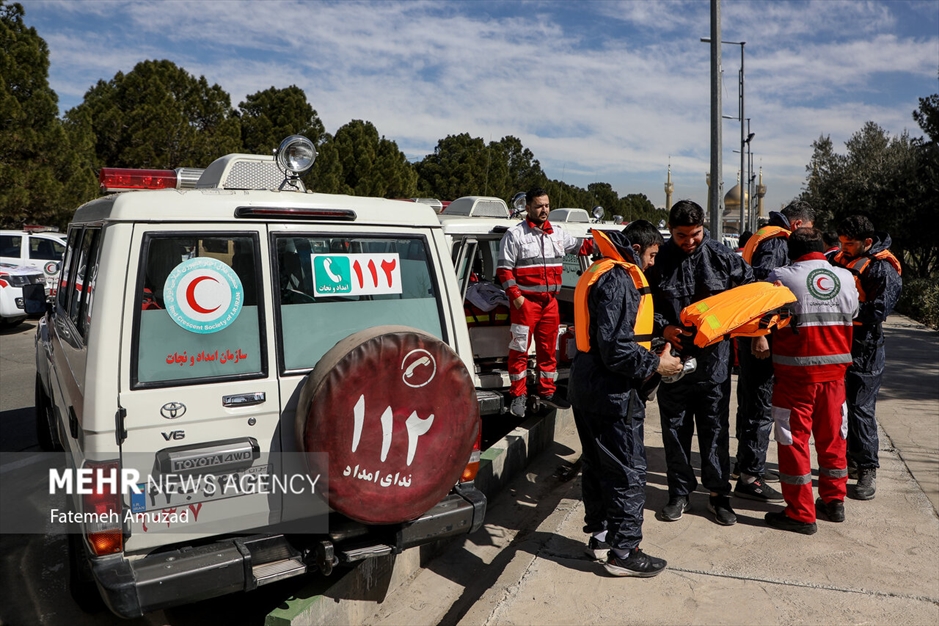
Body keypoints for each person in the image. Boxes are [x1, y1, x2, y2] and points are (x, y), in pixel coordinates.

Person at [569, 220, 683, 577]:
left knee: (597, 466)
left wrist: (658, 334)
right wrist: (658, 364)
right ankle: (625, 551)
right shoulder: (620, 278)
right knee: (627, 470)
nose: (652, 263)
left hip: (587, 385)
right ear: (636, 249)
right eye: (651, 255)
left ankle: (603, 536)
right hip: (612, 393)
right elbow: (617, 348)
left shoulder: (599, 269)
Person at [646, 200, 753, 526]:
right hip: (674, 362)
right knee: (675, 430)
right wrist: (664, 328)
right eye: (682, 235)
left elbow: (749, 293)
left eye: (696, 234)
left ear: (703, 227)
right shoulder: (658, 260)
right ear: (671, 230)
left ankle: (719, 495)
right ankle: (679, 493)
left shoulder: (722, 256)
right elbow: (644, 305)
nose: (690, 241)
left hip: (714, 363)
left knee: (716, 430)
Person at [762, 228, 859, 534]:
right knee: (834, 438)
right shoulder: (846, 277)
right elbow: (854, 311)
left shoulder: (781, 277)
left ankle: (801, 514)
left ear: (790, 252)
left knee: (793, 441)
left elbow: (763, 315)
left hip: (796, 376)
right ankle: (833, 501)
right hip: (835, 374)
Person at [733, 201, 815, 504]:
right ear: (797, 224)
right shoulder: (778, 241)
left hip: (751, 330)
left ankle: (745, 464)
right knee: (760, 406)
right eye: (806, 231)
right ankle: (750, 477)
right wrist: (762, 334)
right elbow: (763, 289)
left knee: (750, 401)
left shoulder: (763, 234)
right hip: (760, 333)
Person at [497, 188, 592, 417]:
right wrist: (517, 298)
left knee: (549, 350)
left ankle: (547, 392)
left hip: (550, 304)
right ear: (528, 207)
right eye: (539, 206)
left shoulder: (557, 233)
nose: (544, 210)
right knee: (519, 350)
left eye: (547, 205)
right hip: (525, 304)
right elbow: (504, 270)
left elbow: (583, 247)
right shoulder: (515, 235)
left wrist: (607, 243)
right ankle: (518, 395)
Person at [830, 215, 902, 500]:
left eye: (849, 244)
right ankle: (849, 459)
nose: (843, 248)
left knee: (861, 408)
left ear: (867, 242)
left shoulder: (883, 269)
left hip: (866, 347)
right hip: (838, 342)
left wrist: (842, 311)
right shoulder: (838, 259)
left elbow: (879, 310)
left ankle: (867, 468)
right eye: (841, 242)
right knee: (839, 407)